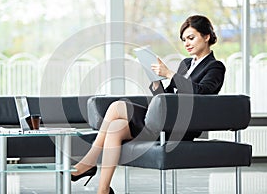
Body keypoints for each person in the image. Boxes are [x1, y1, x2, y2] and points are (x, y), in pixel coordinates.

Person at [70, 15, 226, 194]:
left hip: (180, 127)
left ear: (206, 37)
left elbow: (201, 93)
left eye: (191, 38)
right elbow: (168, 99)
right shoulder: (186, 64)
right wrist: (157, 84)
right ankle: (103, 190)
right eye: (184, 40)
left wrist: (170, 74)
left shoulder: (215, 67)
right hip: (165, 120)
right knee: (115, 126)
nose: (187, 44)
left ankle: (89, 162)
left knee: (117, 106)